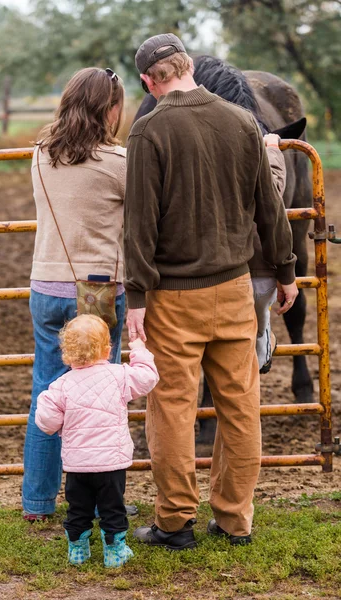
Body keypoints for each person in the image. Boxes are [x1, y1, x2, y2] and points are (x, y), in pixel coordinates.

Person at [124, 34, 298, 548]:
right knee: (241, 407)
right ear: (187, 67)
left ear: (147, 81)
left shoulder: (149, 130)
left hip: (174, 297)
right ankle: (234, 519)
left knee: (172, 410)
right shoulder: (243, 121)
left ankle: (175, 521)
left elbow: (139, 226)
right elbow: (270, 207)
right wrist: (286, 271)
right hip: (234, 287)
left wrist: (136, 298)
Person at [22, 67, 137, 520]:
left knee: (47, 395)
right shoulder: (119, 162)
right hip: (98, 294)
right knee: (99, 401)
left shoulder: (39, 155)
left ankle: (36, 501)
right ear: (109, 109)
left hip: (46, 286)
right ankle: (99, 503)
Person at [35, 314, 159, 567]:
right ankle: (115, 553)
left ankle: (77, 552)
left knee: (78, 509)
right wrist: (139, 351)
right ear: (107, 349)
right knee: (113, 509)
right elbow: (148, 378)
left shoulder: (60, 386)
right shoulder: (118, 376)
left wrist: (51, 409)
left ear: (66, 353)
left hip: (77, 466)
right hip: (111, 465)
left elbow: (46, 423)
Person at [253, 133, 287, 373]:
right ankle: (262, 344)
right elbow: (272, 192)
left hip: (219, 270)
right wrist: (273, 149)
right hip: (259, 271)